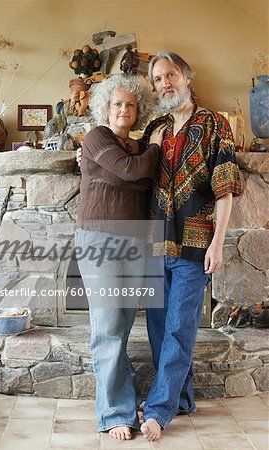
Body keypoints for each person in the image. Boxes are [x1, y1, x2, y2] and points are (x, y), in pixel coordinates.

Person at [139, 52, 242, 441]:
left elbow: (226, 187)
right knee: (157, 328)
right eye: (158, 78)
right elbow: (131, 169)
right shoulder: (155, 127)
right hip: (154, 241)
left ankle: (158, 411)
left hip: (196, 244)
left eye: (170, 74)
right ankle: (181, 400)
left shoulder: (215, 124)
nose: (164, 82)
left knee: (179, 328)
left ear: (186, 76)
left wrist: (218, 242)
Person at [75, 74, 165, 441]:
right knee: (108, 327)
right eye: (117, 104)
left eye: (130, 104)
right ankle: (113, 413)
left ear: (138, 109)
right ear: (106, 108)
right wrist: (152, 154)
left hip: (133, 241)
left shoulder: (137, 145)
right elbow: (134, 172)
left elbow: (142, 178)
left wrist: (142, 166)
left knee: (121, 328)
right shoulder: (97, 137)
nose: (124, 109)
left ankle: (125, 403)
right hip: (99, 240)